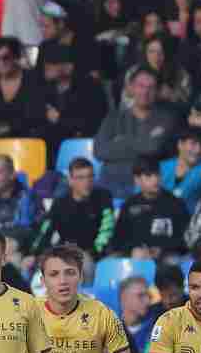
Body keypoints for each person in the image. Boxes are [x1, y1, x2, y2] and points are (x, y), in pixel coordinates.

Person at [94, 67, 177, 197]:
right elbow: (99, 151)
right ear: (131, 88)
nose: (145, 92)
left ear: (157, 91)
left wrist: (122, 141)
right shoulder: (113, 117)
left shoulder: (166, 119)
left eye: (151, 87)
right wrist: (142, 143)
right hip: (109, 184)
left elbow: (153, 148)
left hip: (144, 188)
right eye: (140, 86)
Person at [29, 158, 116, 257]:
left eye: (90, 176)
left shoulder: (103, 198)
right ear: (70, 180)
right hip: (65, 254)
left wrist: (93, 252)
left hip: (93, 255)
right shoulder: (60, 203)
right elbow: (45, 231)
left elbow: (106, 230)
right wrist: (33, 255)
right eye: (80, 178)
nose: (86, 182)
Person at [111, 159, 190, 260]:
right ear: (137, 179)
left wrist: (163, 249)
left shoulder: (176, 204)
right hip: (135, 256)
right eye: (149, 176)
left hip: (168, 256)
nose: (155, 180)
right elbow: (118, 240)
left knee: (172, 261)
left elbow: (186, 238)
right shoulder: (129, 205)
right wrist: (134, 248)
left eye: (157, 175)